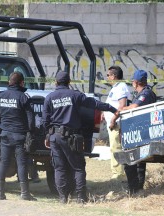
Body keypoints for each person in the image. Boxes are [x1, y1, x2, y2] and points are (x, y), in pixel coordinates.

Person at [42, 72, 118, 204]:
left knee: (59, 168)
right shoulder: (75, 95)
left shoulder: (49, 97)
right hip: (71, 137)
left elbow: (45, 121)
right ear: (69, 81)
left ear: (56, 82)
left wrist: (48, 135)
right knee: (78, 167)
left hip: (55, 137)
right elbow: (94, 104)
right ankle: (81, 198)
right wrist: (112, 108)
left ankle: (62, 198)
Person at [0, 71, 37, 201]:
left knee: (3, 162)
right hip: (19, 136)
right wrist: (31, 132)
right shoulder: (23, 97)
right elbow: (31, 119)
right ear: (21, 82)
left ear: (9, 82)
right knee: (21, 163)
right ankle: (25, 194)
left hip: (5, 135)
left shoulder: (0, 96)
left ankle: (0, 194)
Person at [110, 69, 157, 195]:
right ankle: (137, 188)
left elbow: (135, 107)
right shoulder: (142, 93)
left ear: (136, 82)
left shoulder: (145, 93)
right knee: (138, 162)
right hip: (139, 132)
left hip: (141, 132)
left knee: (131, 161)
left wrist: (121, 110)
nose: (132, 84)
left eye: (133, 82)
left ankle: (134, 189)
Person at [102, 66, 130, 180]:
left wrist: (113, 119)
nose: (107, 77)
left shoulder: (121, 87)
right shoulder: (115, 88)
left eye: (108, 75)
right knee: (114, 147)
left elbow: (122, 106)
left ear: (114, 76)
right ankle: (117, 172)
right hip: (112, 122)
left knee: (116, 147)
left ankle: (118, 174)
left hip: (116, 123)